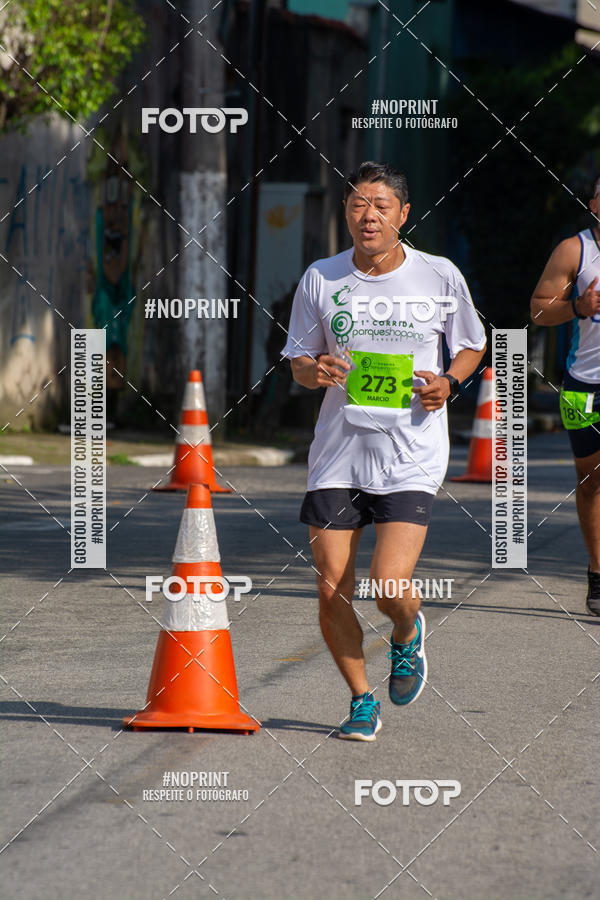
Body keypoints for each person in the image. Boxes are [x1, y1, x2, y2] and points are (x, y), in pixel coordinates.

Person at [282, 161, 486, 741]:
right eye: (356, 205)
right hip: (336, 453)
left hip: (410, 450)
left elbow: (472, 345)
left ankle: (406, 632)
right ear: (345, 213)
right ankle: (360, 699)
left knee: (389, 586)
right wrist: (314, 370)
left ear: (402, 214)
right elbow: (299, 361)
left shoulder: (438, 275)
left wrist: (450, 382)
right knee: (331, 586)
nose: (367, 215)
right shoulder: (322, 277)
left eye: (379, 205)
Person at [530, 174, 600, 617]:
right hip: (584, 385)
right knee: (592, 482)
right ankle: (598, 574)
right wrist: (578, 306)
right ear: (594, 203)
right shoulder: (575, 249)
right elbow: (538, 308)